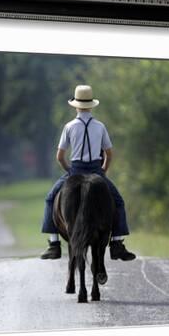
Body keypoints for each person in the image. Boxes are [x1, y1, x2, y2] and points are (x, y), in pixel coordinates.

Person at [40, 85, 136, 261]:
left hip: (75, 169)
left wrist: (69, 171)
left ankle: (53, 245)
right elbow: (109, 154)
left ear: (76, 106)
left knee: (50, 198)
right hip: (96, 170)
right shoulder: (100, 126)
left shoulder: (69, 127)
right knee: (119, 202)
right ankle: (117, 243)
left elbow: (60, 157)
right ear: (91, 106)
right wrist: (102, 171)